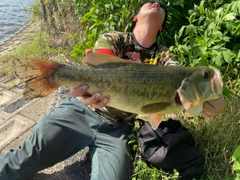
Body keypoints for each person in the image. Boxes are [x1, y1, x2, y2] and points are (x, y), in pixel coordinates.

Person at [0, 1, 225, 180]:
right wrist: (78, 80)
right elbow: (100, 59)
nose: (156, 3)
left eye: (161, 5)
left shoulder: (167, 58)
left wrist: (210, 102)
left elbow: (182, 84)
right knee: (25, 159)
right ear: (136, 17)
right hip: (80, 112)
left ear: (162, 26)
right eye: (149, 2)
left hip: (117, 131)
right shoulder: (115, 38)